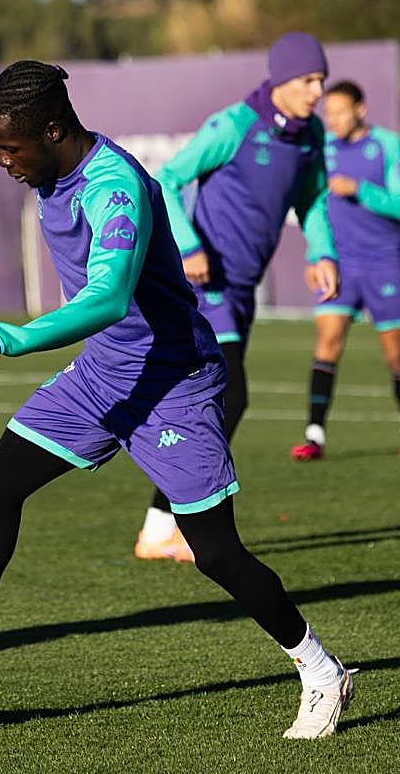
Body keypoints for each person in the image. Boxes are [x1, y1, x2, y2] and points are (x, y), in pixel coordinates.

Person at [0, 60, 354, 739]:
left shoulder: (113, 186)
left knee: (215, 552)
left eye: (12, 146)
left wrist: (15, 336)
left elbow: (106, 298)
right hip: (105, 374)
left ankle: (321, 671)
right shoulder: (53, 172)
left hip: (174, 384)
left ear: (53, 128)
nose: (4, 161)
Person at [134, 32, 340, 563]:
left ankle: (159, 527)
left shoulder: (311, 134)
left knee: (208, 401)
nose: (317, 91)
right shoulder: (234, 126)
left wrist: (322, 253)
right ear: (279, 79)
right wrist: (188, 244)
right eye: (307, 80)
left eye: (321, 80)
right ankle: (181, 522)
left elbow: (313, 199)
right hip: (206, 286)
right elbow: (168, 179)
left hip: (242, 288)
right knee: (231, 396)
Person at [289, 80, 400, 461]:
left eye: (340, 112)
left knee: (396, 355)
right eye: (327, 113)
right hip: (339, 264)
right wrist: (316, 257)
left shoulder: (386, 145)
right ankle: (314, 435)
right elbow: (312, 207)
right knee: (327, 341)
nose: (331, 120)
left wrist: (361, 189)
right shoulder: (323, 148)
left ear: (360, 110)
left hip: (383, 264)